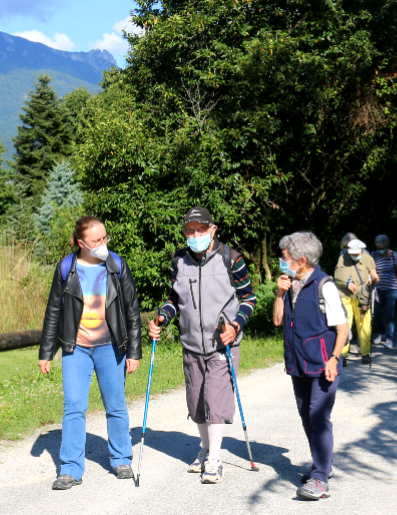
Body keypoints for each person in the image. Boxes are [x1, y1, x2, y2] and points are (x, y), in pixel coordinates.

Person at [148, 207, 257, 485]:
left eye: (200, 229)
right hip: (191, 344)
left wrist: (235, 326)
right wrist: (163, 317)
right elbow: (174, 299)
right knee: (196, 401)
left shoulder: (231, 259)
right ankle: (206, 448)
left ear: (212, 229)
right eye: (189, 230)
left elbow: (249, 299)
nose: (194, 235)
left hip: (222, 343)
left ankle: (215, 459)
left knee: (215, 400)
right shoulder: (179, 261)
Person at [39, 216, 142, 490]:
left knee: (116, 405)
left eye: (104, 238)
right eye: (96, 241)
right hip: (76, 349)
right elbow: (53, 312)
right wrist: (46, 352)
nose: (103, 244)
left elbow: (132, 310)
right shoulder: (66, 268)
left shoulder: (116, 265)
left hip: (111, 347)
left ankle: (121, 459)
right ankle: (70, 469)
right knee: (73, 407)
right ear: (81, 242)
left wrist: (134, 350)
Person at [272, 231, 348, 501]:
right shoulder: (291, 283)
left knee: (318, 417)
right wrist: (280, 294)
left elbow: (343, 328)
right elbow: (278, 321)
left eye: (285, 257)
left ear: (301, 260)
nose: (282, 261)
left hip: (323, 365)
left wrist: (334, 358)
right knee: (307, 417)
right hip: (297, 364)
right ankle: (322, 464)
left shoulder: (323, 285)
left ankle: (319, 478)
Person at [333, 237, 379, 366]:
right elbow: (337, 275)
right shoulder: (342, 258)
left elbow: (374, 274)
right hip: (345, 296)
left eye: (356, 254)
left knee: (365, 326)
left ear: (361, 251)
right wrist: (347, 283)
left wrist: (374, 278)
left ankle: (365, 354)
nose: (354, 256)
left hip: (362, 297)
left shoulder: (368, 259)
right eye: (352, 254)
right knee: (345, 326)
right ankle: (342, 356)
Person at [372, 235, 397, 348]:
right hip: (378, 289)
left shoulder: (393, 254)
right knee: (376, 313)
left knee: (389, 314)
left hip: (391, 289)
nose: (380, 250)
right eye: (378, 247)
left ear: (386, 245)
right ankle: (382, 332)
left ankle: (389, 338)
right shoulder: (373, 255)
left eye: (382, 247)